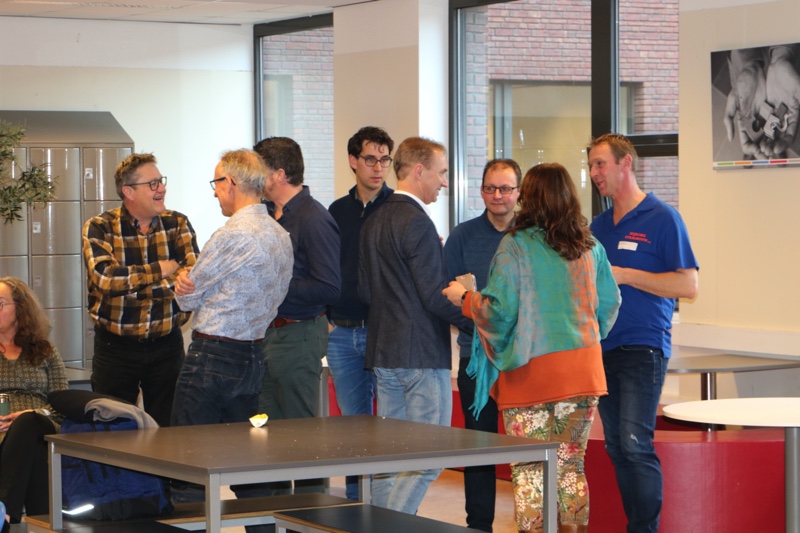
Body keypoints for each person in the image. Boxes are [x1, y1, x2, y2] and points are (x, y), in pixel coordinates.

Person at [443, 162, 620, 533]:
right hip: (583, 373)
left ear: (529, 198)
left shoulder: (516, 246)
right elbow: (609, 304)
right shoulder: (590, 246)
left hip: (531, 377)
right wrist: (583, 339)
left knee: (530, 470)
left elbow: (499, 312)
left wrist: (466, 298)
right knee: (570, 466)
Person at [168, 149, 293, 504]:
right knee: (249, 467)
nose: (214, 192)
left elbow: (187, 299)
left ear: (232, 183)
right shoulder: (280, 234)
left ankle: (190, 527)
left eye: (216, 183)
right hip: (253, 355)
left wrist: (182, 281)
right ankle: (265, 526)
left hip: (211, 357)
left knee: (188, 464)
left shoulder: (231, 235)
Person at [588, 133, 699, 533]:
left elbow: (688, 285)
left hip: (643, 347)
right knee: (618, 447)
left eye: (600, 163)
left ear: (626, 163)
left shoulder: (663, 218)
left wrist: (627, 275)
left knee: (636, 444)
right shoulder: (597, 227)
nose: (594, 173)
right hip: (602, 349)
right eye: (591, 165)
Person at [358, 136, 472, 514]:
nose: (445, 182)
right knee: (427, 458)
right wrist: (479, 318)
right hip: (420, 356)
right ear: (419, 171)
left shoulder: (373, 219)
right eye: (441, 173)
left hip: (384, 353)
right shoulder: (418, 222)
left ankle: (377, 525)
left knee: (391, 459)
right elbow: (434, 297)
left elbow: (365, 291)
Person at [82, 153, 199, 428]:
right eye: (153, 183)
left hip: (167, 345)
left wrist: (133, 289)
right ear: (129, 192)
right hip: (115, 348)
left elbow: (194, 277)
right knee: (111, 428)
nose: (162, 188)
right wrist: (162, 269)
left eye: (161, 181)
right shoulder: (100, 227)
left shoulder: (177, 224)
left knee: (169, 430)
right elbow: (106, 280)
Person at [255, 136, 340, 495]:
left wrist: (274, 286)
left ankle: (310, 512)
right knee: (264, 433)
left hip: (299, 334)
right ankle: (269, 511)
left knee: (301, 436)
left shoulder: (314, 218)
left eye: (258, 170)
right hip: (266, 335)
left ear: (278, 174)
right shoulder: (264, 214)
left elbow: (328, 287)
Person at [443, 158, 521, 532]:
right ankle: (479, 526)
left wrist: (489, 318)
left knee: (527, 447)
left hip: (523, 359)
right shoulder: (462, 236)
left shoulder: (532, 237)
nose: (497, 195)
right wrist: (486, 323)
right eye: (490, 188)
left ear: (519, 192)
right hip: (476, 359)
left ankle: (533, 521)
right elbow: (446, 297)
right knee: (479, 449)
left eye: (505, 188)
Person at [326, 126, 394, 501]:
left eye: (384, 160)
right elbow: (325, 266)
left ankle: (388, 506)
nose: (378, 167)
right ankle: (357, 505)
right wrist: (327, 315)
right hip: (342, 332)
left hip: (385, 332)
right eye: (370, 159)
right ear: (353, 161)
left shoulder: (397, 207)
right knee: (354, 426)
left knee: (389, 425)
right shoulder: (336, 211)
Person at [0, 277, 69, 524]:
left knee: (28, 422)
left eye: (0, 303)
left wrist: (34, 413)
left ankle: (4, 511)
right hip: (7, 435)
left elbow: (63, 403)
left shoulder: (45, 351)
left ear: (20, 308)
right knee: (38, 452)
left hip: (42, 423)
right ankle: (42, 524)